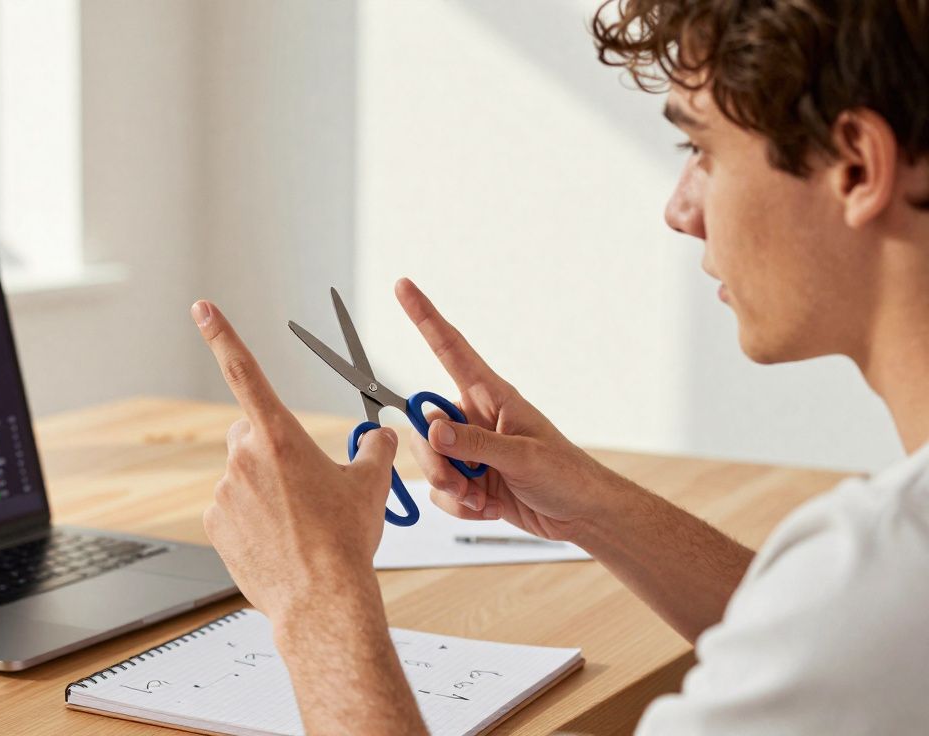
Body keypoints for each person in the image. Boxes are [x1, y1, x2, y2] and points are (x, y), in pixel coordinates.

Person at [189, 0, 929, 733]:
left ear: (859, 166)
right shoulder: (873, 599)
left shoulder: (878, 575)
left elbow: (838, 631)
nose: (680, 209)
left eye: (701, 150)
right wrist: (593, 504)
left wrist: (317, 595)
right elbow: (812, 646)